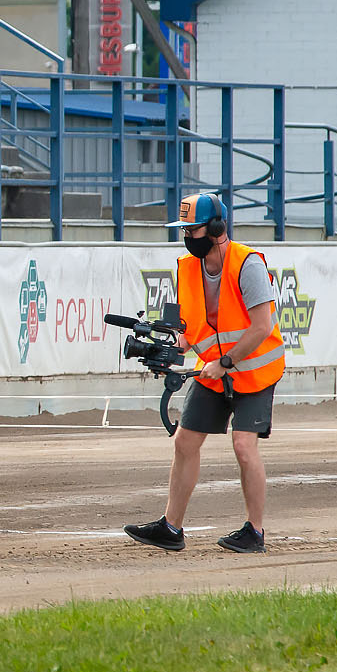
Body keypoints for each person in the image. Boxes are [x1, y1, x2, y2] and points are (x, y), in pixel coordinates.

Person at [124, 193, 283, 554]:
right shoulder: (186, 266)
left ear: (214, 228)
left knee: (244, 445)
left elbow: (261, 327)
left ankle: (254, 532)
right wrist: (177, 342)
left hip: (254, 371)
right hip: (213, 370)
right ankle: (171, 527)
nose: (186, 236)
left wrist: (225, 363)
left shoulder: (247, 264)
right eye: (183, 229)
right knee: (185, 441)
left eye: (191, 229)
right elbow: (193, 326)